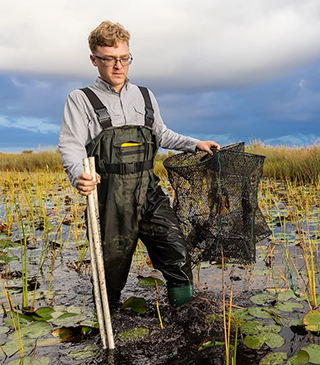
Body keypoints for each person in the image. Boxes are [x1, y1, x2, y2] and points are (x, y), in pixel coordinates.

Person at [58, 20, 220, 308]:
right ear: (94, 60)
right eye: (109, 59)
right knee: (111, 272)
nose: (118, 66)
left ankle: (182, 317)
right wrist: (78, 175)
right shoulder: (80, 99)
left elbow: (162, 134)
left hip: (149, 190)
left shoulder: (145, 95)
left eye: (124, 58)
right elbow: (70, 146)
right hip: (110, 197)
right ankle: (110, 325)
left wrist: (196, 143)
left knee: (177, 253)